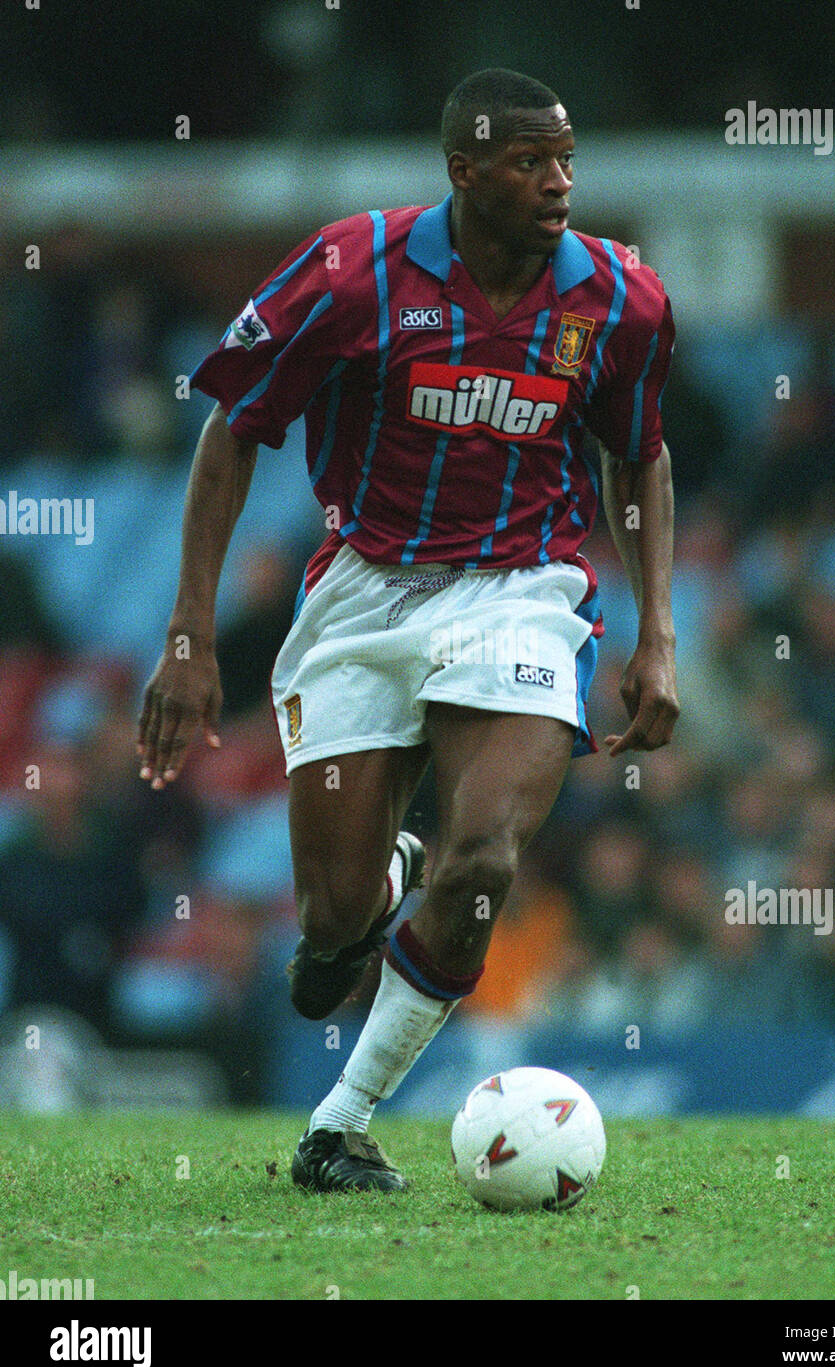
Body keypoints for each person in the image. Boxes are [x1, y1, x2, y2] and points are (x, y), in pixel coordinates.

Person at [138, 68, 679, 1193]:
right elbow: (234, 429)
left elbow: (640, 453)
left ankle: (338, 1123)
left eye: (567, 159)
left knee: (482, 860)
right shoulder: (351, 271)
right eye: (531, 162)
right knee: (330, 927)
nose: (558, 183)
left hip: (521, 592)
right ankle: (376, 888)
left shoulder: (617, 298)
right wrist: (190, 635)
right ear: (464, 169)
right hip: (366, 594)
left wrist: (658, 632)